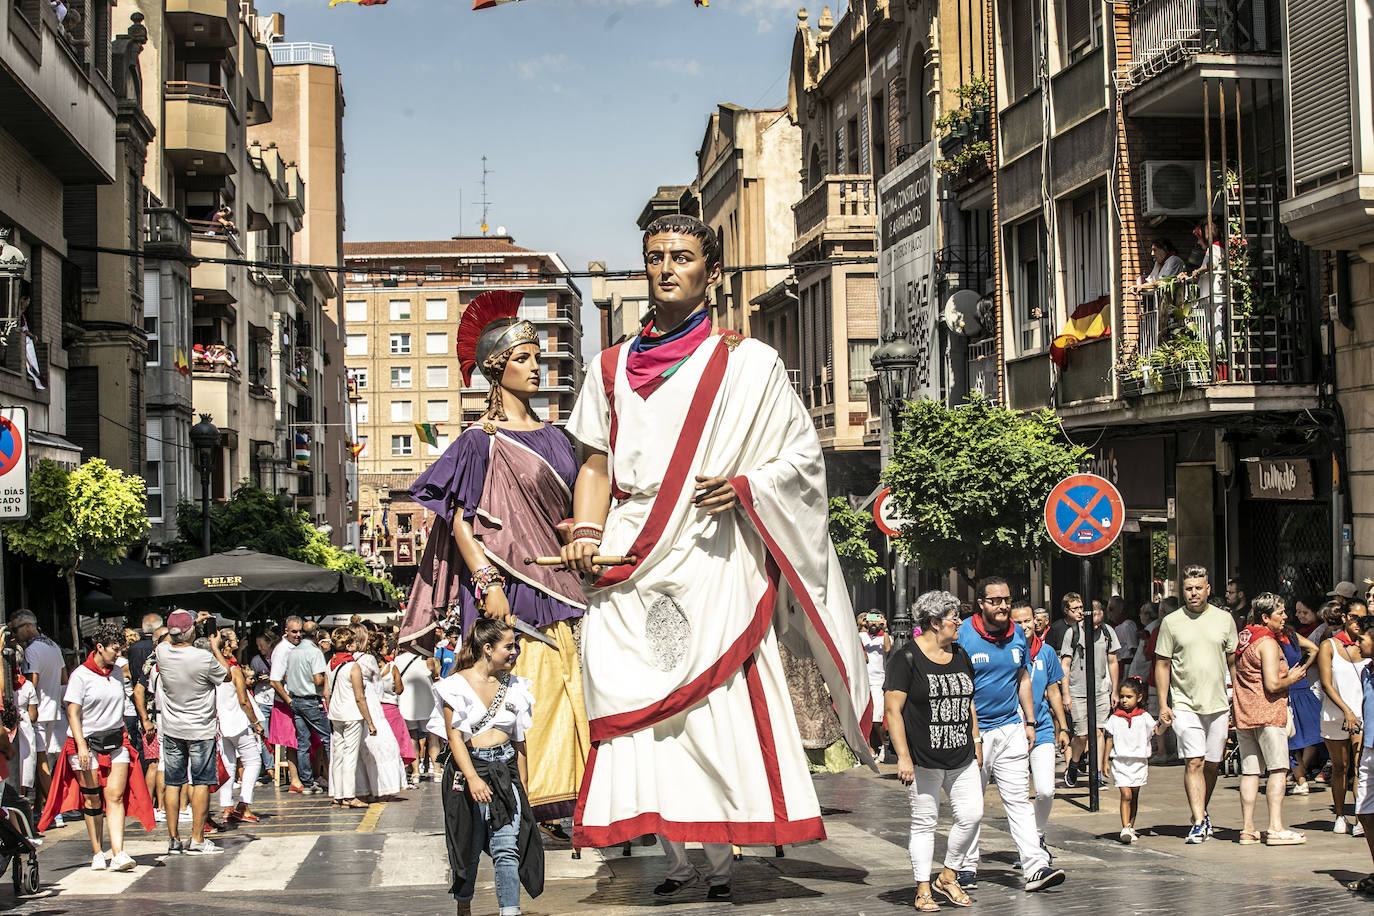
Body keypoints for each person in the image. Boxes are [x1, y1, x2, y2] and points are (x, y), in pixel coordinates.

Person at [559, 214, 871, 902]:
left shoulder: (748, 362)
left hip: (713, 546)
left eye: (681, 256)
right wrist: (586, 528)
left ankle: (724, 861)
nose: (666, 267)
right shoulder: (607, 365)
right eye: (654, 256)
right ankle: (674, 858)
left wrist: (748, 485)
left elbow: (801, 459)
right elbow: (594, 461)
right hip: (631, 548)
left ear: (712, 272)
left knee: (716, 702)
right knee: (633, 698)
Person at [406, 287, 590, 832]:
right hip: (510, 584)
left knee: (567, 687)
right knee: (523, 693)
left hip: (566, 579)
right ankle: (523, 804)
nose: (536, 367)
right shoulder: (476, 442)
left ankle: (573, 799)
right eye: (524, 359)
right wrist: (486, 580)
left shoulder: (559, 437)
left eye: (537, 357)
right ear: (496, 368)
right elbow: (459, 518)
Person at [954, 576, 1066, 892]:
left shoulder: (1017, 634)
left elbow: (1023, 678)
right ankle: (965, 866)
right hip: (972, 734)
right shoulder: (962, 634)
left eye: (1007, 599)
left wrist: (1030, 721)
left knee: (1017, 800)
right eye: (996, 601)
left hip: (1010, 728)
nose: (1003, 605)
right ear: (981, 604)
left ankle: (1035, 866)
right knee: (971, 804)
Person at [429, 618, 543, 916]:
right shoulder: (453, 686)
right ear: (488, 649)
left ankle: (510, 911)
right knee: (469, 845)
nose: (515, 651)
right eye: (509, 646)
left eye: (515, 645)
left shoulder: (517, 686)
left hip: (505, 773)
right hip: (470, 771)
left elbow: (520, 743)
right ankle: (464, 901)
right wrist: (472, 779)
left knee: (507, 847)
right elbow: (454, 738)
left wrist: (524, 787)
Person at [885, 591, 980, 911]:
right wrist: (903, 757)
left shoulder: (961, 654)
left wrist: (976, 740)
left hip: (961, 754)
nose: (959, 623)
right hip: (923, 759)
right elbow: (893, 711)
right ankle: (923, 888)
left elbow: (968, 701)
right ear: (935, 623)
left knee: (972, 815)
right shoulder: (906, 658)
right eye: (954, 618)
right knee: (925, 822)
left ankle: (948, 875)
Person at [41, 623, 156, 869]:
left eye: (120, 649)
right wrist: (81, 746)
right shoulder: (80, 675)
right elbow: (73, 712)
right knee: (92, 799)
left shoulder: (117, 672)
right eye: (115, 650)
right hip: (85, 743)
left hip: (116, 741)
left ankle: (119, 853)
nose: (118, 654)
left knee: (114, 796)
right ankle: (97, 852)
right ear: (99, 647)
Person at [1154, 565, 1238, 844]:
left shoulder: (1225, 619)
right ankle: (1199, 821)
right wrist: (1164, 704)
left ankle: (1202, 810)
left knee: (1212, 764)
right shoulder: (1172, 622)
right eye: (1188, 589)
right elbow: (1163, 664)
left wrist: (1238, 698)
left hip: (1217, 704)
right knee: (1194, 761)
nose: (1193, 593)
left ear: (1208, 589)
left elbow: (1233, 662)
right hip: (1184, 704)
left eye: (1198, 588)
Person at [1232, 593, 1307, 846]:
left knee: (1250, 772)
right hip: (1268, 714)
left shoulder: (1244, 639)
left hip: (1245, 714)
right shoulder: (1267, 643)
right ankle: (1275, 827)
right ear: (1265, 617)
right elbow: (1273, 684)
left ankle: (1247, 829)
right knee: (1278, 769)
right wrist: (1293, 679)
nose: (1285, 617)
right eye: (1280, 613)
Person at [156, 610, 231, 855]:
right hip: (200, 729)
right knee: (201, 781)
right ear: (191, 632)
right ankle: (197, 838)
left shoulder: (163, 653)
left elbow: (167, 639)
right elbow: (227, 675)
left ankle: (173, 839)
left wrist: (186, 625)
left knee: (173, 782)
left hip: (172, 728)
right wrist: (215, 646)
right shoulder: (203, 658)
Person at [1011, 598, 1068, 853]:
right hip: (1013, 728)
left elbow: (1053, 690)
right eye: (1018, 622)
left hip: (1043, 728)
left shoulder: (1046, 652)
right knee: (1020, 795)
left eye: (1027, 620)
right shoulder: (1006, 652)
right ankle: (1027, 846)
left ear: (1035, 621)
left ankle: (1038, 834)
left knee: (1045, 790)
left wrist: (1063, 727)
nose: (1024, 626)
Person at [1058, 592, 1120, 788]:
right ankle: (1074, 763)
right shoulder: (1073, 633)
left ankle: (1098, 772)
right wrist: (1066, 693)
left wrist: (1115, 690)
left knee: (1099, 731)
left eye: (1098, 619)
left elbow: (1112, 661)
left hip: (1101, 689)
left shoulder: (1107, 632)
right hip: (1078, 690)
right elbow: (1065, 664)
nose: (1095, 624)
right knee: (1082, 734)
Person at [13, 610, 67, 825]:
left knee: (41, 762)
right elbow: (64, 678)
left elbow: (30, 684)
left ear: (27, 626)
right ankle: (40, 808)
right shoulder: (52, 646)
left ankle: (56, 812)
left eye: (16, 629)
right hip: (53, 709)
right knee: (42, 762)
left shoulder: (32, 651)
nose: (15, 634)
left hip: (38, 712)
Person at [1317, 605, 1367, 834]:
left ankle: (1358, 818)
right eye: (1354, 618)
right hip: (1335, 714)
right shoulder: (1329, 646)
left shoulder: (1367, 645)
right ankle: (1339, 815)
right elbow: (1326, 684)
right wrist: (1346, 710)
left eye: (1363, 619)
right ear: (1345, 617)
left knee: (1360, 768)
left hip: (1363, 716)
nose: (1358, 623)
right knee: (1340, 767)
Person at [1103, 678, 1164, 844]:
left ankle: (1130, 826)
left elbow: (1156, 730)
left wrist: (1164, 722)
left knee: (1135, 795)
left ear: (1138, 698)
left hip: (1139, 762)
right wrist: (1105, 761)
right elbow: (1109, 738)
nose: (1124, 700)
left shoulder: (1144, 717)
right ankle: (1124, 827)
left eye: (1128, 697)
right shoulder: (1115, 718)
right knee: (1126, 794)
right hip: (1120, 762)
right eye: (1122, 696)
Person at [214, 629, 264, 824]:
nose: (238, 641)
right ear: (225, 647)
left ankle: (227, 807)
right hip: (237, 721)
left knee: (228, 765)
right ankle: (244, 805)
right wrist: (256, 723)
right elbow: (244, 700)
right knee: (252, 761)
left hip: (220, 722)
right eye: (233, 640)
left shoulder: (214, 668)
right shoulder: (233, 670)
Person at [353, 626, 405, 801]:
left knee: (360, 750)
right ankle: (382, 787)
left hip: (354, 708)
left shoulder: (347, 660)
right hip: (372, 707)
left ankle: (362, 788)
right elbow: (379, 688)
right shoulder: (367, 660)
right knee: (383, 748)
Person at [325, 628, 375, 809]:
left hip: (335, 714)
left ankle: (337, 795)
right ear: (347, 645)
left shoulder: (330, 664)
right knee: (350, 755)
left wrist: (331, 708)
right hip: (352, 714)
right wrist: (369, 721)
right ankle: (349, 795)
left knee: (337, 754)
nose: (356, 645)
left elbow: (326, 692)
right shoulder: (353, 666)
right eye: (353, 642)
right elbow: (359, 696)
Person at [1277, 608, 1324, 795]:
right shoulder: (1292, 635)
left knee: (1291, 739)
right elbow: (1314, 649)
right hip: (1303, 688)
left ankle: (1301, 778)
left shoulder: (1273, 639)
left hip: (1287, 690)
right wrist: (1303, 667)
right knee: (1313, 734)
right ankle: (1301, 775)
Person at [285, 618, 331, 794]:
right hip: (310, 700)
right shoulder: (315, 652)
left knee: (303, 743)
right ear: (317, 635)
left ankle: (306, 781)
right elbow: (318, 680)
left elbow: (288, 677)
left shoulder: (294, 651)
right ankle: (333, 776)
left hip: (295, 700)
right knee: (328, 738)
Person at [1349, 626, 1374, 895]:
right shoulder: (1366, 670)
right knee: (1365, 810)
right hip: (1369, 749)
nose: (1357, 645)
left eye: (1362, 640)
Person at [267, 617, 305, 790]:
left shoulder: (299, 647)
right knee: (291, 742)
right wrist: (289, 701)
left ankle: (306, 777)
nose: (298, 635)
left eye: (300, 631)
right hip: (287, 702)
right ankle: (295, 779)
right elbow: (274, 681)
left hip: (299, 699)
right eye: (294, 632)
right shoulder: (282, 650)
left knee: (303, 740)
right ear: (286, 631)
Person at [378, 636, 418, 784]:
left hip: (375, 710)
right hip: (391, 710)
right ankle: (397, 778)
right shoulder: (391, 667)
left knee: (381, 746)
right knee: (397, 744)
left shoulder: (368, 667)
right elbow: (400, 689)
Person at [395, 645, 437, 784]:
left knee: (412, 736)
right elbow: (436, 672)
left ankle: (416, 772)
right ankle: (436, 769)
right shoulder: (425, 658)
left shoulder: (397, 660)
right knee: (432, 736)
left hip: (407, 701)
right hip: (426, 701)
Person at [859, 611, 892, 759]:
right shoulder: (861, 637)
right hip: (863, 681)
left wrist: (884, 629)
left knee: (877, 719)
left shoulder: (885, 638)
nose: (873, 623)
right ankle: (869, 749)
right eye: (870, 620)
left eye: (876, 620)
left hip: (879, 683)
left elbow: (887, 649)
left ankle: (884, 746)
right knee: (863, 717)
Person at [249, 628, 279, 781]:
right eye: (257, 646)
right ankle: (270, 767)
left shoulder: (277, 658)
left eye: (262, 645)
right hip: (262, 699)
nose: (260, 649)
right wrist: (256, 679)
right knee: (263, 735)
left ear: (270, 644)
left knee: (278, 735)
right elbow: (251, 679)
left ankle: (280, 764)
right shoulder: (256, 660)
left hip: (276, 699)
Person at [1110, 596, 1138, 674]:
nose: (1108, 612)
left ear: (1120, 609)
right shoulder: (1117, 626)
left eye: (1111, 609)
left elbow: (1133, 649)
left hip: (1127, 666)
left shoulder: (1127, 625)